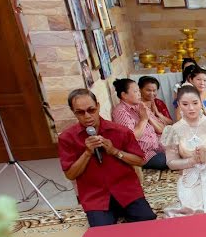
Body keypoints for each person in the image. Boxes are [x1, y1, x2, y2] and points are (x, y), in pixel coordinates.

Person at [59, 89, 156, 228]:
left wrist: (115, 151)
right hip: (96, 196)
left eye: (91, 110)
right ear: (73, 112)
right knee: (102, 234)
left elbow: (140, 160)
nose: (87, 116)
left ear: (98, 106)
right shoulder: (67, 138)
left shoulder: (120, 131)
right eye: (80, 112)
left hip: (126, 190)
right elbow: (70, 174)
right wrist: (87, 153)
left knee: (148, 223)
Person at [162, 85, 206, 216]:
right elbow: (171, 162)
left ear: (201, 102)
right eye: (185, 104)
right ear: (178, 104)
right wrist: (191, 160)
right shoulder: (173, 130)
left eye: (195, 103)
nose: (191, 108)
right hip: (190, 173)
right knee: (192, 209)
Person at [111, 78, 168, 171]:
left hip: (158, 144)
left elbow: (162, 129)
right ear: (124, 95)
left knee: (184, 145)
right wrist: (144, 120)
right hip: (145, 154)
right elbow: (132, 138)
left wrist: (149, 117)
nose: (139, 94)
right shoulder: (120, 112)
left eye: (138, 91)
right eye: (135, 91)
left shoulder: (139, 105)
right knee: (166, 160)